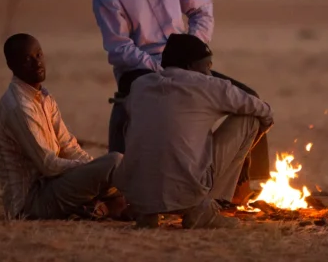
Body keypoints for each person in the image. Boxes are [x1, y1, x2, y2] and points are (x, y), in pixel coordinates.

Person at [92, 0, 271, 190]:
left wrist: (192, 48)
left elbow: (202, 8)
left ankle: (240, 186)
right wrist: (161, 66)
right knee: (127, 115)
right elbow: (119, 48)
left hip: (187, 63)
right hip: (142, 71)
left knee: (249, 98)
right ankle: (123, 187)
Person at [116, 33, 274, 229]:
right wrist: (259, 132)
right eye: (207, 65)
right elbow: (262, 110)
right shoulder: (208, 85)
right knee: (249, 119)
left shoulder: (140, 85)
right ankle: (206, 208)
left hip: (137, 192)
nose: (210, 71)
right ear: (191, 66)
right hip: (187, 189)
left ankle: (147, 214)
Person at [0, 33, 126, 220]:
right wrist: (93, 170)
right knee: (116, 164)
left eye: (38, 55)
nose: (37, 63)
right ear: (11, 66)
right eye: (27, 59)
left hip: (53, 185)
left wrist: (93, 170)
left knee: (117, 167)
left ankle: (111, 204)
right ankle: (120, 204)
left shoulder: (43, 97)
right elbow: (48, 165)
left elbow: (68, 146)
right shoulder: (19, 107)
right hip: (31, 202)